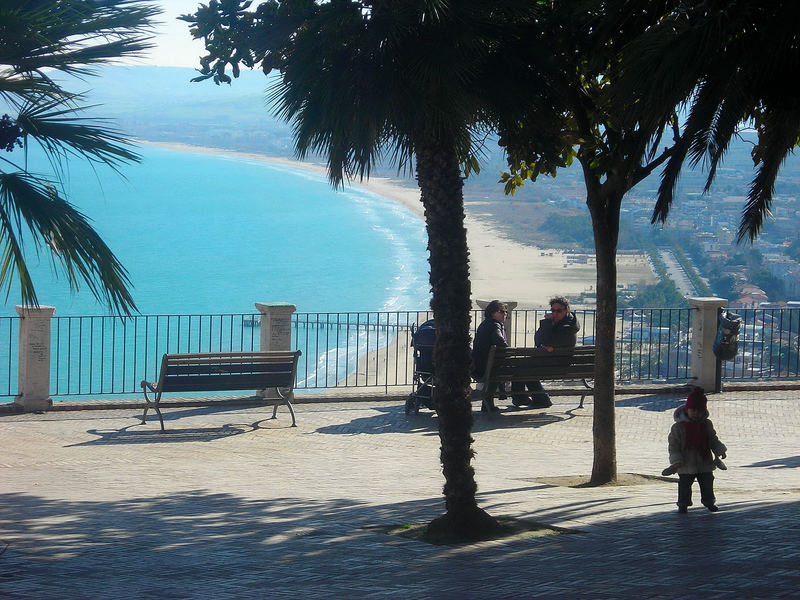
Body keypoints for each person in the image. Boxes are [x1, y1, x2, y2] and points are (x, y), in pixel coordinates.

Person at [665, 387, 728, 513]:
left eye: (699, 410)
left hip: (704, 462)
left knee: (707, 482)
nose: (695, 413)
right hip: (685, 463)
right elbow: (673, 446)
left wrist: (720, 450)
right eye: (692, 410)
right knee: (684, 485)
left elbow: (712, 439)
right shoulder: (678, 427)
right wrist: (676, 461)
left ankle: (709, 502)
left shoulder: (706, 424)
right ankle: (683, 504)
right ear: (687, 410)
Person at [513, 296, 581, 408]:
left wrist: (547, 323)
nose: (555, 313)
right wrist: (545, 344)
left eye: (559, 311)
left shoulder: (568, 326)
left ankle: (525, 398)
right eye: (553, 310)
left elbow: (548, 340)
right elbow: (538, 339)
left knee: (523, 365)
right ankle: (534, 399)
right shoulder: (562, 323)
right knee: (523, 366)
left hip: (558, 363)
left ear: (567, 310)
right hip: (551, 359)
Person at [471, 300, 508, 413]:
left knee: (504, 369)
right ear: (492, 312)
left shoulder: (485, 325)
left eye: (506, 312)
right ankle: (523, 397)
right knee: (518, 370)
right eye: (501, 311)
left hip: (482, 366)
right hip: (488, 368)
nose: (504, 314)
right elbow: (499, 341)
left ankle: (521, 398)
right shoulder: (494, 325)